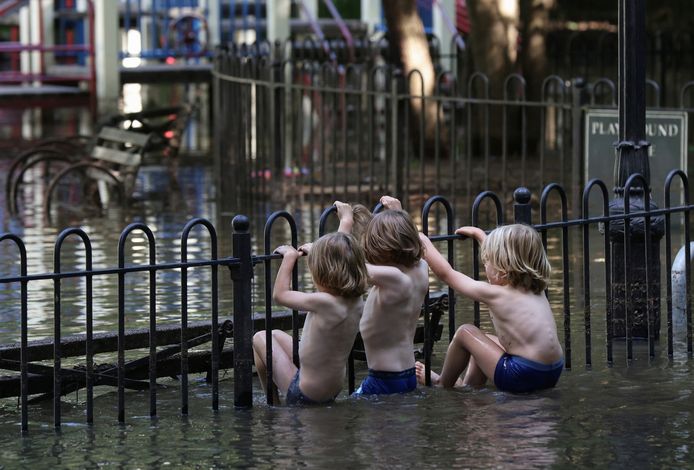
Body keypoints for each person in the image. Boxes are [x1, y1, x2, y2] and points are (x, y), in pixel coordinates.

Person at [416, 224, 564, 394]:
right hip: (552, 371)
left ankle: (443, 383)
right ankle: (468, 388)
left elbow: (447, 274)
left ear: (503, 267)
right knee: (485, 340)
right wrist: (480, 236)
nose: (485, 265)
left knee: (466, 333)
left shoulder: (498, 294)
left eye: (488, 260)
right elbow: (510, 257)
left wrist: (422, 240)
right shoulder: (536, 289)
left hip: (523, 375)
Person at [252, 231, 368, 405]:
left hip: (305, 393)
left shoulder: (325, 302)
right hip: (330, 387)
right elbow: (342, 257)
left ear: (322, 271)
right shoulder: (357, 302)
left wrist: (289, 257)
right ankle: (274, 399)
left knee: (260, 338)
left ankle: (275, 405)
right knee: (274, 334)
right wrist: (316, 251)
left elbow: (280, 294)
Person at [335, 197, 429, 395]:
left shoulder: (392, 278)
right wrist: (398, 215)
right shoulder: (421, 268)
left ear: (382, 248)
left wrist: (346, 222)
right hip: (407, 375)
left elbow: (344, 264)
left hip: (384, 380)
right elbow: (405, 241)